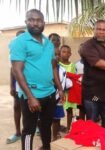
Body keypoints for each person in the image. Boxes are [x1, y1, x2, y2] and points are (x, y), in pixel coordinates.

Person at [9, 9, 64, 150]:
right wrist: (30, 97)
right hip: (32, 96)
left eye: (39, 20)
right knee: (29, 130)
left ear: (44, 23)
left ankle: (46, 147)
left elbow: (53, 68)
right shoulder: (19, 42)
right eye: (31, 20)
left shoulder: (48, 43)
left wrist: (60, 88)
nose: (35, 23)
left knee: (46, 126)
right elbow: (17, 70)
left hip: (50, 94)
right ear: (26, 22)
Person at [6, 30, 25, 144]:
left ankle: (35, 128)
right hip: (18, 85)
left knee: (33, 107)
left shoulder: (32, 50)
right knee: (17, 106)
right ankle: (18, 132)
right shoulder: (12, 53)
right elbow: (12, 70)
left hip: (31, 85)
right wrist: (11, 86)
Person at [58, 45, 78, 131]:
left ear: (70, 54)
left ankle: (68, 128)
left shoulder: (72, 65)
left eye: (68, 52)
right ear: (60, 53)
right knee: (58, 108)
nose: (66, 54)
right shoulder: (57, 64)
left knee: (69, 109)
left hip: (69, 91)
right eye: (64, 52)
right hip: (58, 91)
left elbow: (74, 77)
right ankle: (57, 127)